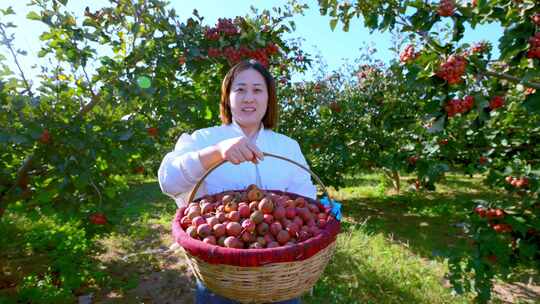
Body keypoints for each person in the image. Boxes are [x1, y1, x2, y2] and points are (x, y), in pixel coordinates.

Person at [158, 59, 315, 304]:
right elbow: (168, 181)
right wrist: (217, 152)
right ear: (227, 97)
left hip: (280, 277)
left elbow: (307, 203)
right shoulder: (204, 139)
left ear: (269, 98)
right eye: (240, 89)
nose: (248, 98)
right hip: (220, 278)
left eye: (257, 90)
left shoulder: (287, 147)